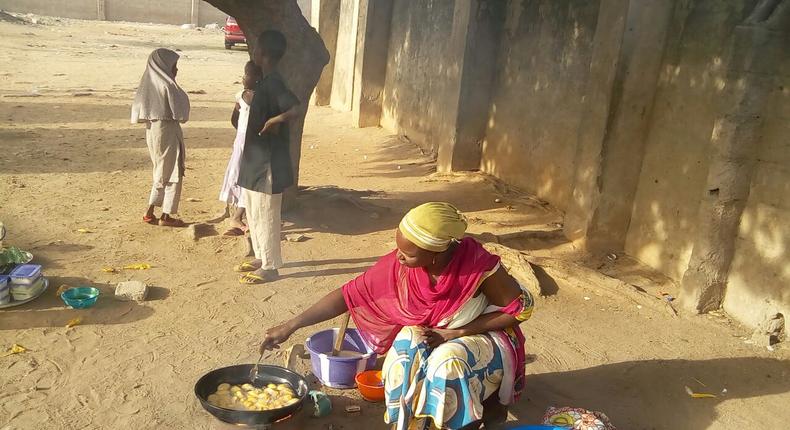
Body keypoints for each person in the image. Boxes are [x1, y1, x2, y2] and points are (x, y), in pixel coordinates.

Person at [260, 202, 535, 430]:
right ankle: (411, 423)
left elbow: (521, 308)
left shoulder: (479, 268)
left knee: (446, 363)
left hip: (482, 335)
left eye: (409, 254)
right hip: (437, 333)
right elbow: (348, 294)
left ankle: (464, 421)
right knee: (404, 350)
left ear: (436, 252)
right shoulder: (403, 264)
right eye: (400, 250)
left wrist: (455, 333)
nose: (399, 258)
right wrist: (290, 325)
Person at [235, 30, 300, 284]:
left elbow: (295, 108)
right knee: (253, 210)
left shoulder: (275, 83)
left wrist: (275, 120)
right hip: (255, 159)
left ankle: (271, 266)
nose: (254, 52)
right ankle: (262, 256)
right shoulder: (264, 81)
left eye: (257, 48)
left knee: (267, 213)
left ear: (264, 53)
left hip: (269, 162)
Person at [132, 48, 190, 227]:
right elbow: (181, 114)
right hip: (167, 130)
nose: (176, 70)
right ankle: (157, 213)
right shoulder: (168, 86)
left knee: (162, 168)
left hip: (153, 130)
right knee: (169, 170)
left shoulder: (147, 84)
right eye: (174, 66)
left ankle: (159, 212)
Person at [218, 61, 262, 236]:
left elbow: (235, 120)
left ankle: (239, 215)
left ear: (257, 78)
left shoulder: (254, 98)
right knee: (241, 177)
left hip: (247, 143)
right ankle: (237, 216)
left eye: (248, 75)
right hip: (244, 143)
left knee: (246, 178)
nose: (244, 78)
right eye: (244, 74)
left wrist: (244, 132)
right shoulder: (242, 96)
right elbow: (234, 119)